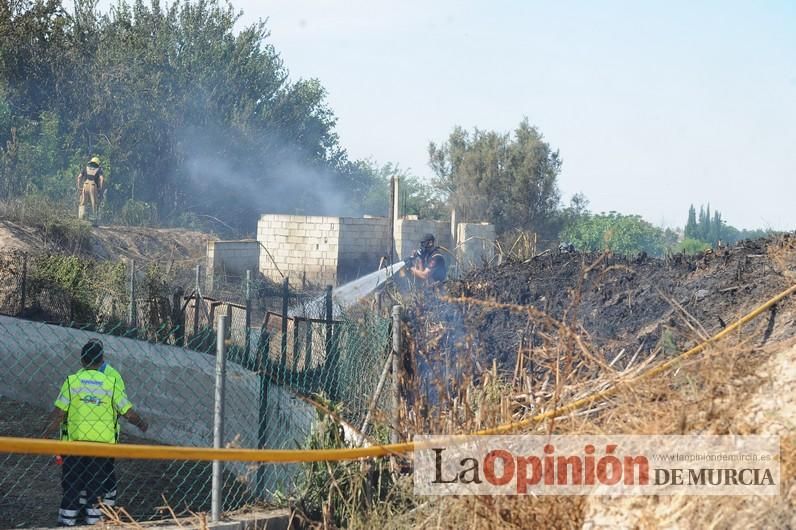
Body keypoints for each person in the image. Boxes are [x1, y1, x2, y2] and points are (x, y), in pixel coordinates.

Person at [44, 340, 147, 527]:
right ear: (102, 361)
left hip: (75, 446)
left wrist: (45, 435)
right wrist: (141, 423)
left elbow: (59, 413)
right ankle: (94, 523)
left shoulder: (72, 381)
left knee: (72, 485)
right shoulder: (111, 382)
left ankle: (67, 523)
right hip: (101, 447)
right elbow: (127, 412)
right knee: (96, 485)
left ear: (82, 361)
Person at [76, 156, 105, 222]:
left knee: (83, 202)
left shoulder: (85, 168)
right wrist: (100, 187)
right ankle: (93, 220)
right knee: (94, 203)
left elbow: (79, 177)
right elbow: (102, 179)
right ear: (97, 163)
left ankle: (81, 219)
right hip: (93, 186)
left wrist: (79, 186)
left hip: (85, 185)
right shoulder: (99, 169)